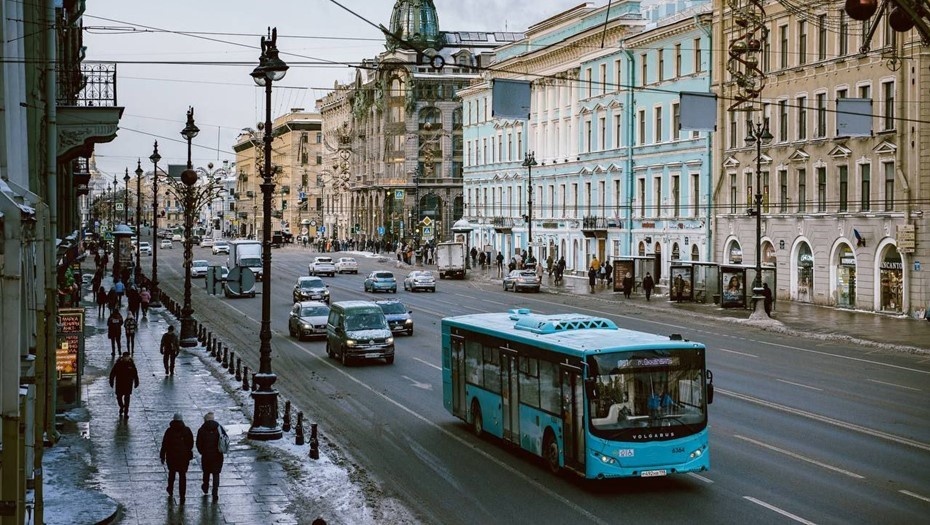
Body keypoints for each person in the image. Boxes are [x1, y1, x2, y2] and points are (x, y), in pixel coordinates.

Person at [160, 413, 194, 504]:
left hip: (171, 457)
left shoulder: (169, 431)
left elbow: (164, 444)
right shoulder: (187, 430)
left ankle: (170, 489)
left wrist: (162, 455)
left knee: (172, 474)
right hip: (183, 458)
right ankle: (182, 495)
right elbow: (191, 444)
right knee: (182, 476)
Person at [196, 412, 225, 500]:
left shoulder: (201, 429)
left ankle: (205, 487)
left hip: (206, 455)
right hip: (217, 455)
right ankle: (215, 492)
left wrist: (202, 452)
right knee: (216, 473)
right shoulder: (219, 428)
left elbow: (198, 443)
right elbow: (225, 439)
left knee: (206, 472)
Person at [108, 351, 139, 418]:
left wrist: (136, 382)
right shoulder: (118, 364)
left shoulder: (131, 364)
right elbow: (113, 373)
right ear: (123, 357)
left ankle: (126, 412)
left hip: (128, 384)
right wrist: (111, 381)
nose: (126, 358)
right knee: (119, 397)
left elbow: (135, 374)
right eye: (125, 357)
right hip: (119, 383)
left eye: (127, 356)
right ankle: (122, 407)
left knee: (127, 398)